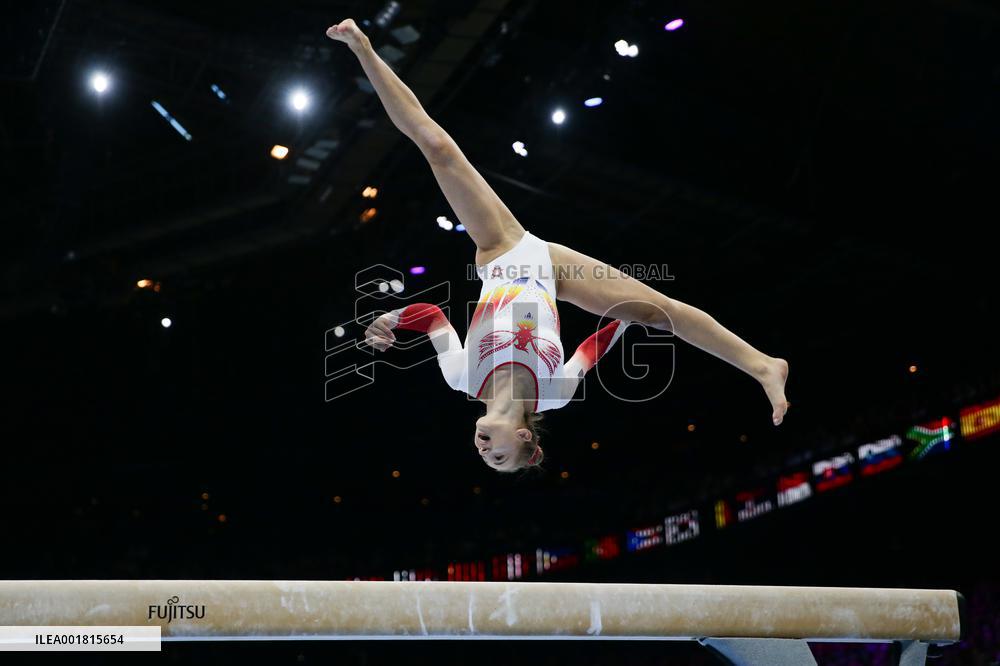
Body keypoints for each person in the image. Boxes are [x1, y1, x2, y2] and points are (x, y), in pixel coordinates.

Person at [327, 19, 789, 472]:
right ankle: (764, 365)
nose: (486, 452)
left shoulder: (461, 377)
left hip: (503, 252)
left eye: (485, 458)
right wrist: (628, 317)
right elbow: (597, 342)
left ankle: (363, 48)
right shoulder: (557, 391)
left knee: (438, 149)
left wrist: (391, 317)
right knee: (659, 311)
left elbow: (431, 317)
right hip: (554, 271)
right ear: (525, 437)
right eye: (500, 456)